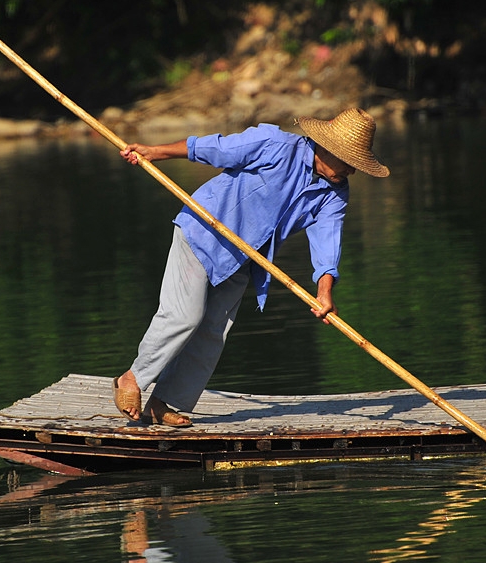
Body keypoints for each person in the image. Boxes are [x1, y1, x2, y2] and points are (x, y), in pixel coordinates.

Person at [113, 107, 390, 427]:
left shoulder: (334, 193)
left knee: (212, 332)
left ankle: (162, 404)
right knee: (183, 316)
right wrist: (155, 151)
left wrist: (324, 292)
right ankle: (132, 378)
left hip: (244, 259)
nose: (352, 172)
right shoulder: (275, 145)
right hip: (202, 233)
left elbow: (328, 241)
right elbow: (213, 148)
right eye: (349, 162)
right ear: (328, 149)